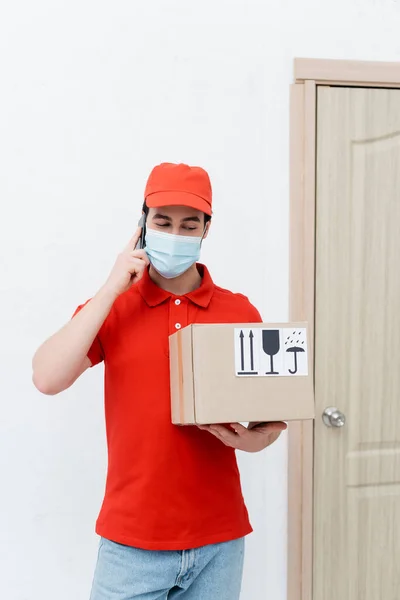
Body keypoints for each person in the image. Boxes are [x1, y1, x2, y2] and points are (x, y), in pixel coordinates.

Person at [32, 162, 287, 600]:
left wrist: (250, 441)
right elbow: (46, 377)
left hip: (219, 543)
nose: (176, 233)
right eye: (163, 222)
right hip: (131, 545)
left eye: (190, 224)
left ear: (206, 230)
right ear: (143, 225)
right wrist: (111, 287)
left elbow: (271, 422)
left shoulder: (239, 312)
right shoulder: (114, 307)